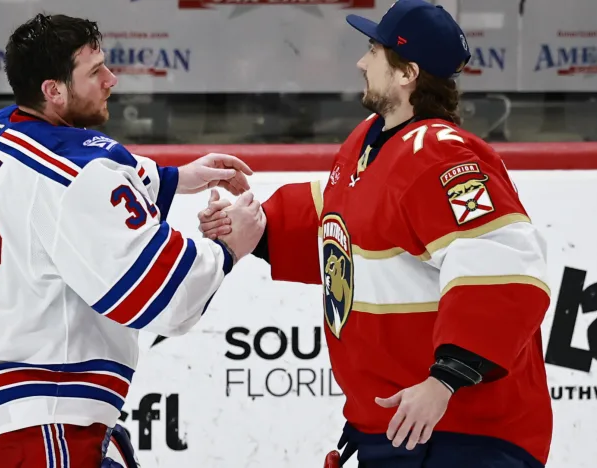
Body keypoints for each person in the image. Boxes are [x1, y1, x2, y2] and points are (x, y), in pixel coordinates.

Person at [199, 1, 553, 467]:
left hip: (462, 434)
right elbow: (343, 219)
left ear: (407, 73)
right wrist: (257, 226)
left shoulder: (442, 155)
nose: (361, 63)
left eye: (374, 51)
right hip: (396, 430)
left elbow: (503, 265)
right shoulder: (371, 140)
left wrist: (444, 381)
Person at [0, 13, 265, 468]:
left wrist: (175, 178)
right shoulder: (79, 176)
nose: (111, 80)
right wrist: (230, 247)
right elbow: (164, 295)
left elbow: (72, 177)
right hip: (21, 422)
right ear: (53, 91)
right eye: (96, 71)